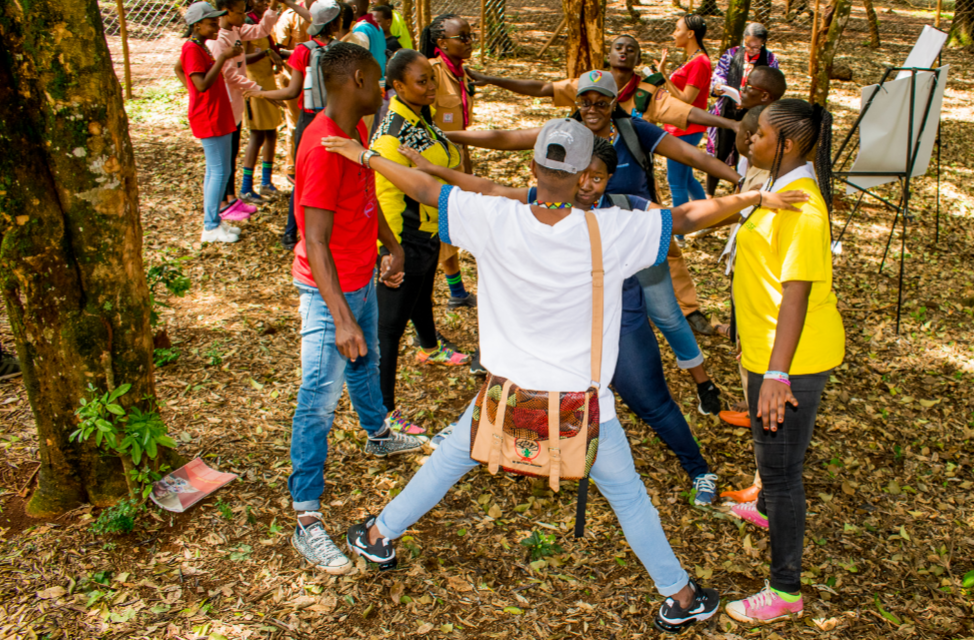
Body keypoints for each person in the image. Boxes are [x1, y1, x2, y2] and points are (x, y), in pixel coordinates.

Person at [325, 117, 770, 631]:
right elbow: (688, 216)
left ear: (533, 165)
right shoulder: (613, 230)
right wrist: (751, 199)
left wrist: (366, 156)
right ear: (584, 173)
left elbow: (427, 188)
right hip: (584, 409)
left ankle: (380, 535)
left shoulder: (493, 217)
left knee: (451, 460)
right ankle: (680, 593)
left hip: (505, 395)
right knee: (628, 497)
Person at [398, 133, 806, 500]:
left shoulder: (625, 211)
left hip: (617, 329)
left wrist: (747, 201)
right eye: (584, 176)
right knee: (523, 402)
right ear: (570, 174)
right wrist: (434, 169)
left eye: (600, 178)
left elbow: (685, 218)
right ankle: (520, 458)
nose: (589, 185)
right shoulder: (539, 204)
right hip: (554, 341)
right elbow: (487, 189)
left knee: (652, 403)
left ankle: (697, 469)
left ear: (610, 180)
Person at [444, 71, 739, 415]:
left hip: (635, 233)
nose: (591, 108)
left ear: (615, 103)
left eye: (601, 102)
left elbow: (692, 156)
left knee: (667, 314)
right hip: (584, 244)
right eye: (584, 101)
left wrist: (742, 182)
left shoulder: (633, 131)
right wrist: (448, 135)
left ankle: (703, 384)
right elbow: (508, 138)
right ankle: (579, 390)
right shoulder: (564, 136)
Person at [287, 42, 428, 574]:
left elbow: (365, 194)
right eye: (378, 77)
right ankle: (306, 516)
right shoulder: (323, 145)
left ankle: (376, 433)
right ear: (355, 83)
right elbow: (314, 239)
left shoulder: (356, 134)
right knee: (317, 401)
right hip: (330, 294)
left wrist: (388, 245)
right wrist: (340, 318)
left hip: (359, 277)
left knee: (365, 364)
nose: (385, 87)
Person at [724, 99, 845, 624]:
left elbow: (794, 295)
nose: (751, 139)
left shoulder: (804, 208)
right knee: (775, 469)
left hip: (792, 362)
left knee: (782, 473)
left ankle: (785, 591)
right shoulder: (780, 192)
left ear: (788, 144)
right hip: (769, 350)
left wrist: (776, 374)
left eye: (761, 135)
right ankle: (767, 510)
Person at [370, 50, 471, 437]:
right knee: (389, 327)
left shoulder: (420, 119)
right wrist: (391, 250)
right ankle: (381, 414)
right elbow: (384, 191)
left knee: (421, 296)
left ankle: (429, 346)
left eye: (431, 78)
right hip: (405, 237)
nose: (430, 86)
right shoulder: (393, 132)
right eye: (421, 81)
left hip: (428, 229)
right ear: (398, 86)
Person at [205, 0, 305, 217]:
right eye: (240, 12)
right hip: (227, 103)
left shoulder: (236, 29)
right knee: (223, 160)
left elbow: (261, 30)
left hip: (237, 102)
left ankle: (231, 199)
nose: (244, 16)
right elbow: (229, 74)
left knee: (231, 153)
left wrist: (273, 7)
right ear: (227, 11)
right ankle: (222, 205)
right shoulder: (217, 41)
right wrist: (259, 90)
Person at [259, 0, 346, 251]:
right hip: (338, 119)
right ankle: (333, 232)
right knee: (336, 174)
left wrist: (262, 94)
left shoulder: (303, 51)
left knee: (304, 178)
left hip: (309, 121)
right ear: (337, 23)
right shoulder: (344, 51)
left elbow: (292, 90)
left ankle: (290, 233)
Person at [420, 14, 480, 311]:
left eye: (471, 36)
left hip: (459, 157)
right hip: (436, 162)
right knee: (441, 225)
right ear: (442, 43)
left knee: (454, 222)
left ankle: (456, 290)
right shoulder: (431, 73)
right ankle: (449, 293)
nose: (469, 42)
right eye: (463, 37)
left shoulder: (462, 73)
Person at [175, 1, 245, 243]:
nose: (217, 26)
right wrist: (223, 57)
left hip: (217, 113)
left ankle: (215, 221)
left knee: (221, 170)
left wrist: (193, 93)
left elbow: (178, 69)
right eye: (212, 23)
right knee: (218, 171)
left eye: (217, 22)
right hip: (209, 117)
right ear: (196, 25)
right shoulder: (192, 49)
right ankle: (210, 226)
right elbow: (202, 84)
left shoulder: (199, 47)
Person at [706, 22, 780, 197]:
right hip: (728, 109)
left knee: (746, 154)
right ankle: (709, 193)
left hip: (753, 115)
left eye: (756, 47)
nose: (751, 50)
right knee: (720, 152)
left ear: (763, 43)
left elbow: (773, 87)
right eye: (747, 45)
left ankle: (739, 193)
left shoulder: (770, 60)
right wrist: (718, 86)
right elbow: (718, 75)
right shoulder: (731, 54)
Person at [655, 15, 712, 225]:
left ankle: (678, 234)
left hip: (686, 128)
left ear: (690, 34)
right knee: (686, 179)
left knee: (676, 182)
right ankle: (709, 218)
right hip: (679, 126)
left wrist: (664, 76)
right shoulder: (692, 59)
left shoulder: (700, 62)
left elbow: (687, 99)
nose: (674, 33)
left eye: (677, 29)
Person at [240, 0, 287, 202]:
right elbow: (241, 58)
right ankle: (246, 187)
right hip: (254, 85)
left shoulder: (261, 22)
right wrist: (266, 54)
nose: (263, 3)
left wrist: (273, 56)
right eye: (259, 0)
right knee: (257, 135)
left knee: (271, 132)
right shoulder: (246, 22)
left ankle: (266, 182)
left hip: (267, 82)